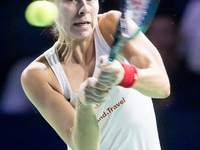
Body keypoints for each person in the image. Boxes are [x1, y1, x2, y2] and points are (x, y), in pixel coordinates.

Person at [21, 0, 170, 150]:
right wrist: (84, 104)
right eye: (71, 0)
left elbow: (162, 87)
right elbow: (84, 147)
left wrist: (124, 74)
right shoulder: (38, 75)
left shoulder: (114, 25)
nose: (84, 9)